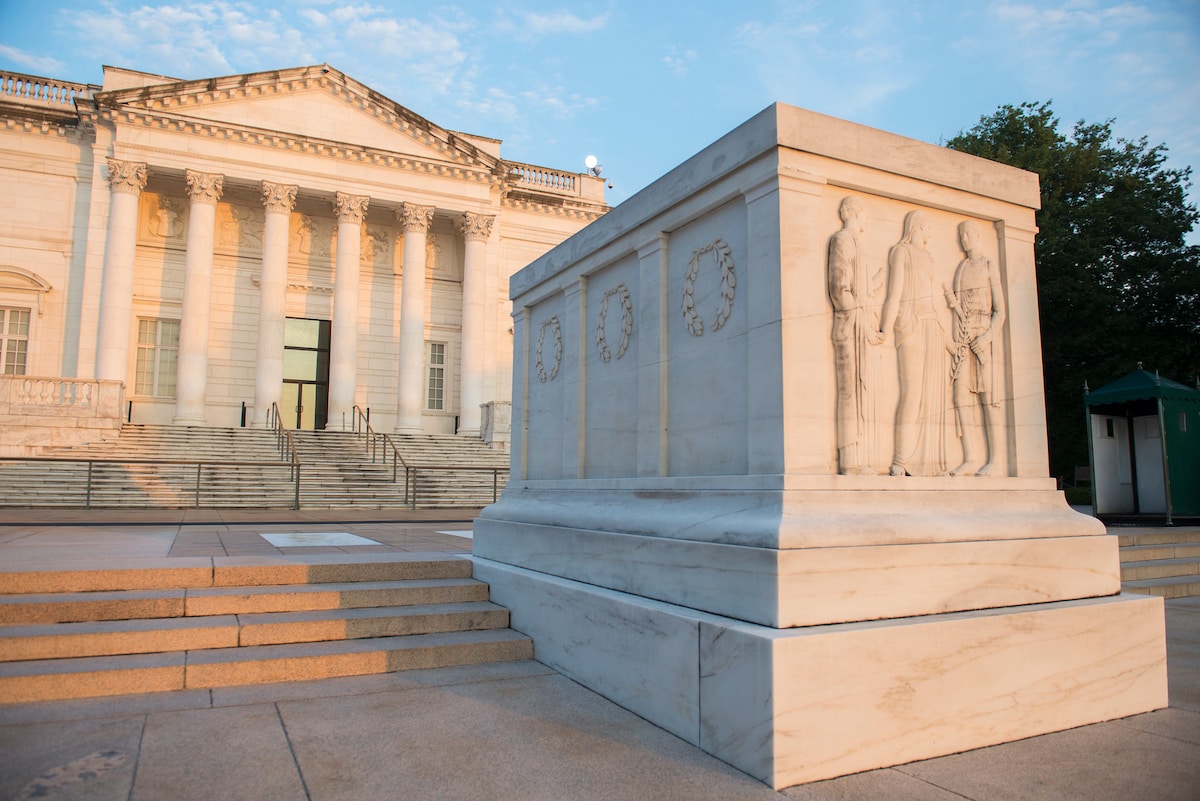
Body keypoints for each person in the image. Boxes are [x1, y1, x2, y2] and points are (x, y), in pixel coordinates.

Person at [876, 210, 948, 476]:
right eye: (928, 227)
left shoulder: (929, 257)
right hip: (911, 326)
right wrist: (885, 328)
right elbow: (893, 294)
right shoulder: (901, 252)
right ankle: (900, 460)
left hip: (932, 327)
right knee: (912, 393)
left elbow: (935, 300)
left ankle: (929, 463)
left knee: (932, 396)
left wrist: (949, 340)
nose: (930, 233)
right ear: (918, 226)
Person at [944, 220, 1007, 476]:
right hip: (964, 336)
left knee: (988, 399)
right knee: (960, 396)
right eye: (961, 235)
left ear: (977, 235)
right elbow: (958, 311)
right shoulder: (962, 267)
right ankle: (970, 457)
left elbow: (1000, 311)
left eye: (968, 234)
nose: (964, 239)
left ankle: (996, 460)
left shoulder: (988, 265)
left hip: (983, 338)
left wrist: (988, 337)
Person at [827, 196, 877, 474]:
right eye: (865, 213)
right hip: (850, 325)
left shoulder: (857, 243)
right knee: (849, 392)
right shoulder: (843, 239)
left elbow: (860, 285)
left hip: (860, 322)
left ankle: (858, 458)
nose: (867, 220)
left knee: (860, 392)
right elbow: (839, 287)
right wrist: (857, 313)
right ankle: (849, 461)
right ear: (855, 212)